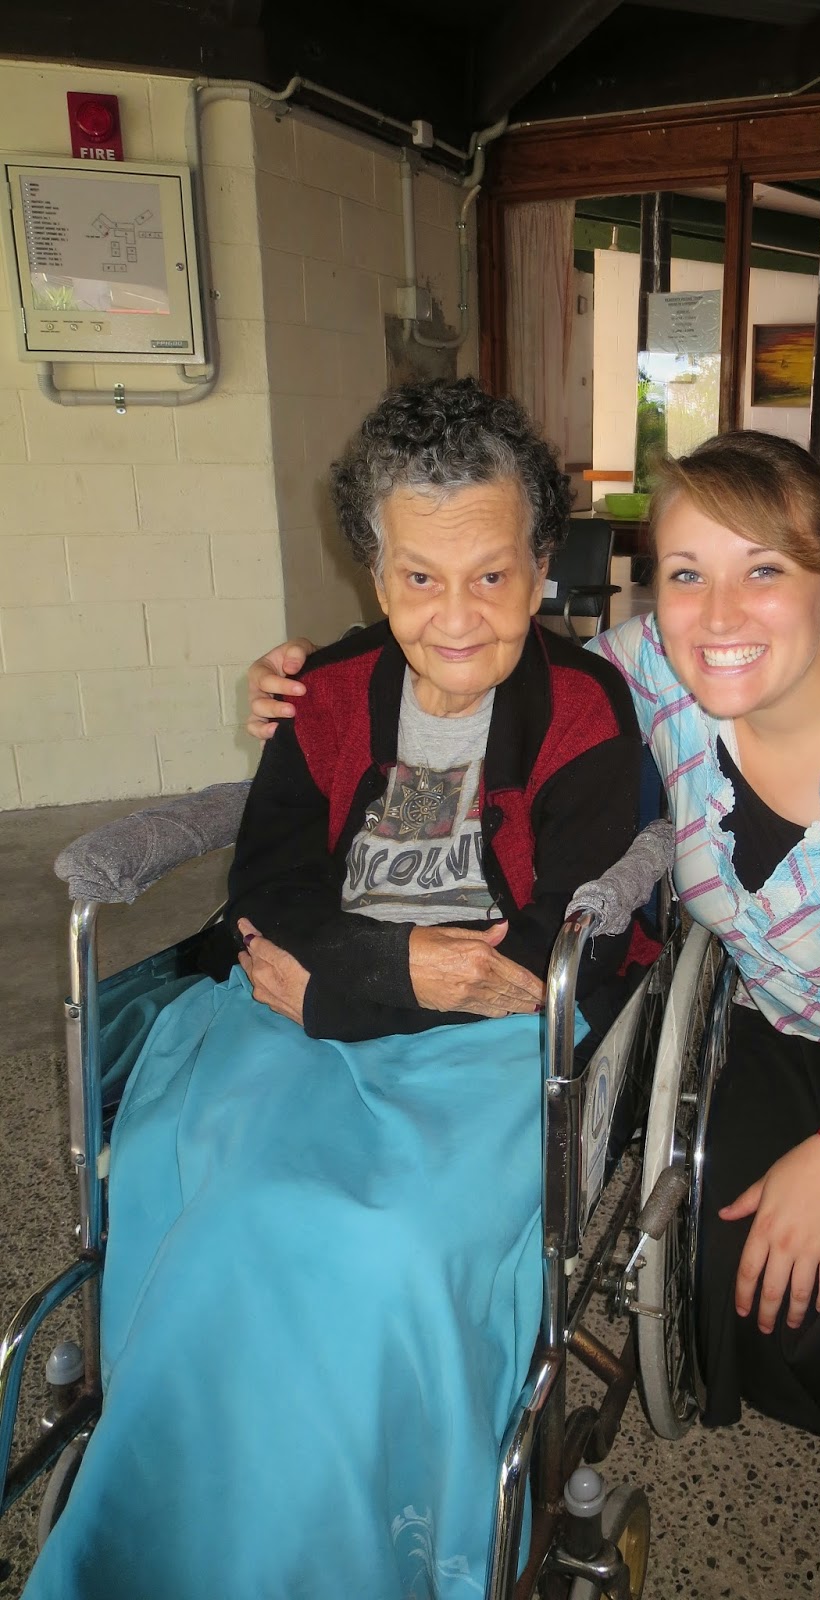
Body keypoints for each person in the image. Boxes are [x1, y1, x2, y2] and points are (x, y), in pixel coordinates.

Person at [246, 427, 820, 1506]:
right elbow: (483, 644)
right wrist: (312, 676)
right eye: (687, 574)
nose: (719, 616)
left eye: (765, 571)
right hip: (787, 1021)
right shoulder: (649, 668)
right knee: (714, 1233)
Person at [24, 379, 648, 1600]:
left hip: (484, 1042)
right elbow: (269, 882)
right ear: (376, 573)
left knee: (383, 1240)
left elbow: (535, 959)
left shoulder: (584, 707)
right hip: (296, 999)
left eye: (492, 574)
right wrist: (379, 974)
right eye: (420, 576)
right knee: (202, 1196)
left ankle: (364, 1538)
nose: (456, 615)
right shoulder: (326, 690)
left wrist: (348, 986)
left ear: (541, 568)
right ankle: (177, 1518)